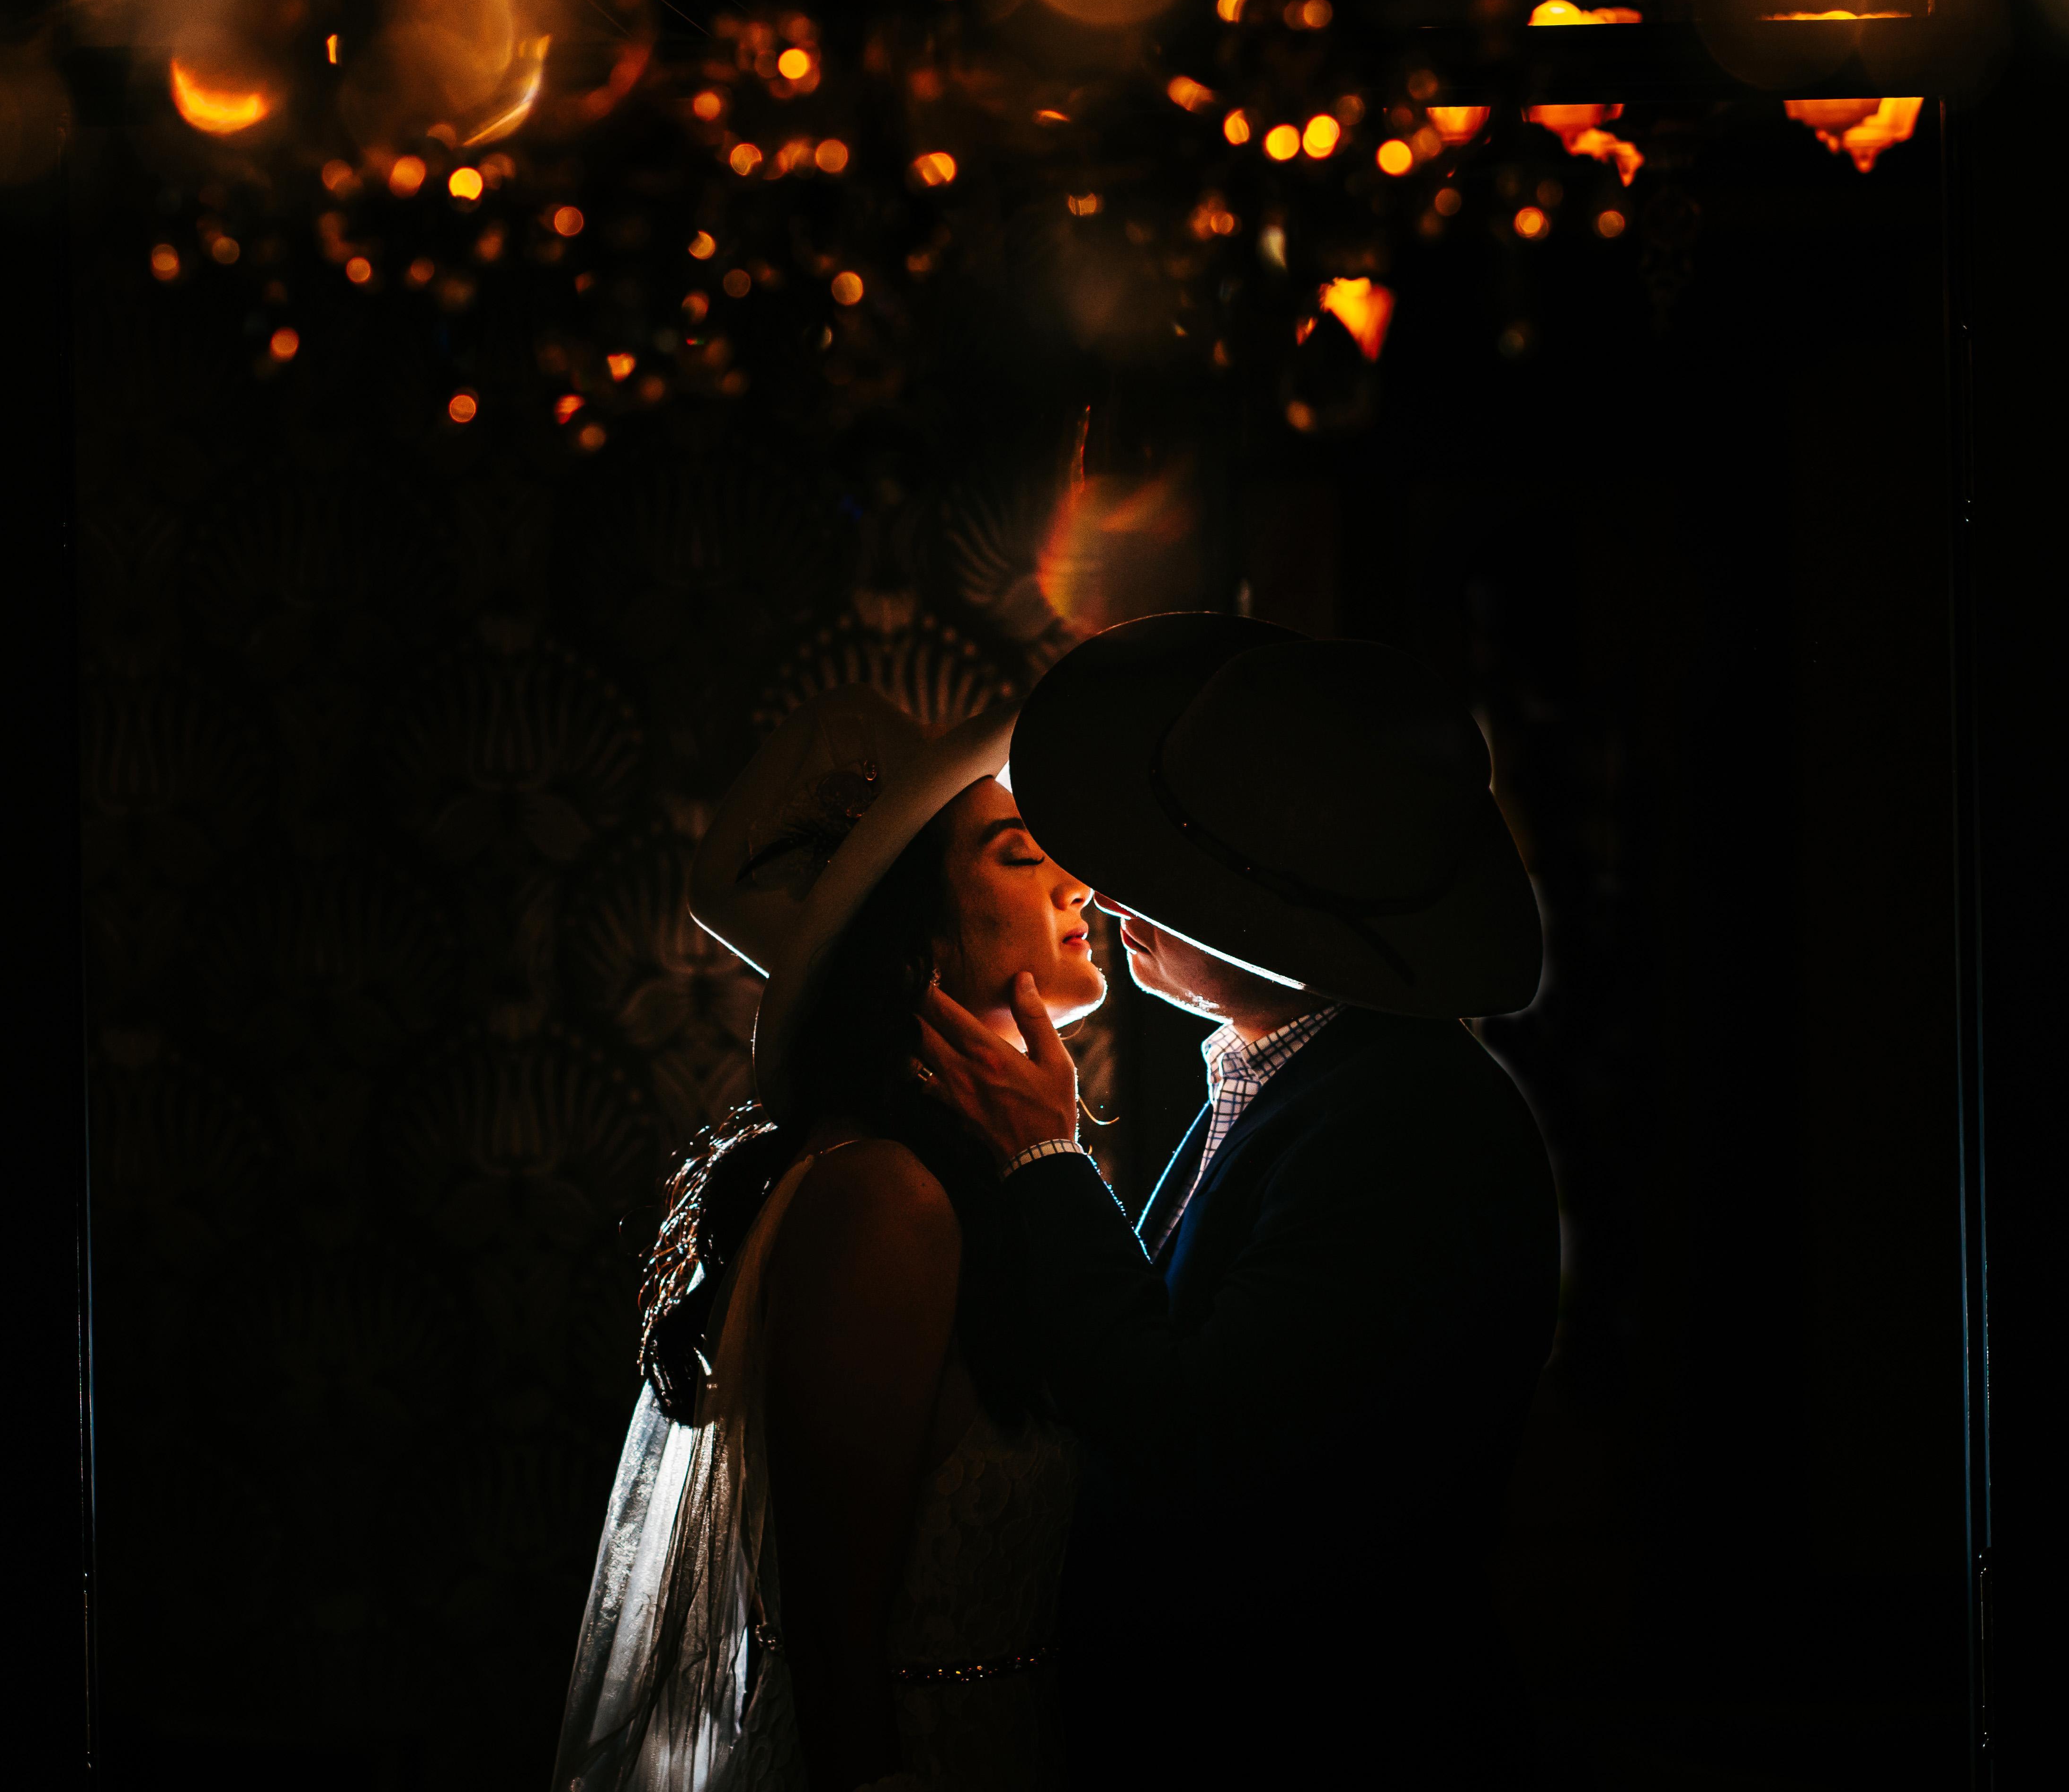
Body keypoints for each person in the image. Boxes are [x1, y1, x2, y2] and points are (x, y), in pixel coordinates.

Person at [908, 613, 1561, 1787]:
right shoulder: (1288, 1080)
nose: (1111, 893)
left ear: (1292, 917)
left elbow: (1198, 1443)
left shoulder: (1404, 1118)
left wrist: (1044, 1155)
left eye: (1178, 876)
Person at [555, 687, 1111, 1792]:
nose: (1078, 882)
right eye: (1018, 855)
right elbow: (829, 1635)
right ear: (913, 947)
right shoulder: (884, 1201)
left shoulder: (967, 1181)